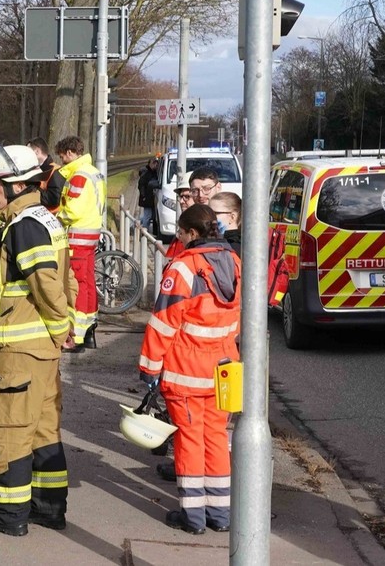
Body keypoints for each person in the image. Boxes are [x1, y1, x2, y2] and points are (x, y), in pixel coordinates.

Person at [0, 144, 77, 536]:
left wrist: (60, 326)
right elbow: (69, 281)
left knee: (12, 429)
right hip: (41, 349)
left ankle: (9, 513)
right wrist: (62, 330)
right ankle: (48, 507)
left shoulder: (22, 226)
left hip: (19, 349)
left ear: (15, 185)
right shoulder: (45, 220)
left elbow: (46, 284)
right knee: (44, 430)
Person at [138, 203, 241, 536]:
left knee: (189, 442)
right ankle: (220, 513)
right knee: (216, 439)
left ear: (192, 233)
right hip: (225, 370)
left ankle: (193, 517)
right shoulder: (236, 263)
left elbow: (163, 324)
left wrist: (150, 370)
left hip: (186, 373)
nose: (178, 238)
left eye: (181, 233)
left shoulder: (184, 269)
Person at [54, 136, 107, 352]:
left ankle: (76, 335)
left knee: (75, 286)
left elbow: (73, 210)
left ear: (68, 153)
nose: (62, 162)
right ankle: (89, 330)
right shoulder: (94, 172)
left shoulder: (78, 176)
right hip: (90, 234)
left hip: (77, 236)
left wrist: (57, 215)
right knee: (87, 284)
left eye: (62, 157)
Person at [27, 137, 65, 212]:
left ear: (37, 151)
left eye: (28, 152)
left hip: (52, 217)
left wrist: (31, 189)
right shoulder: (36, 170)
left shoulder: (55, 171)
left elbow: (54, 199)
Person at [164, 173, 195, 261]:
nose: (181, 201)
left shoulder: (200, 227)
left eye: (187, 197)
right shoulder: (184, 222)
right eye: (180, 196)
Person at [137, 157, 161, 234]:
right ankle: (144, 232)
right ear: (150, 164)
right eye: (154, 164)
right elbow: (141, 185)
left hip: (151, 198)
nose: (156, 166)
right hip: (147, 198)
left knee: (152, 216)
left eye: (156, 164)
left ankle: (149, 230)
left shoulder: (153, 172)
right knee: (147, 215)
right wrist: (144, 196)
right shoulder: (146, 173)